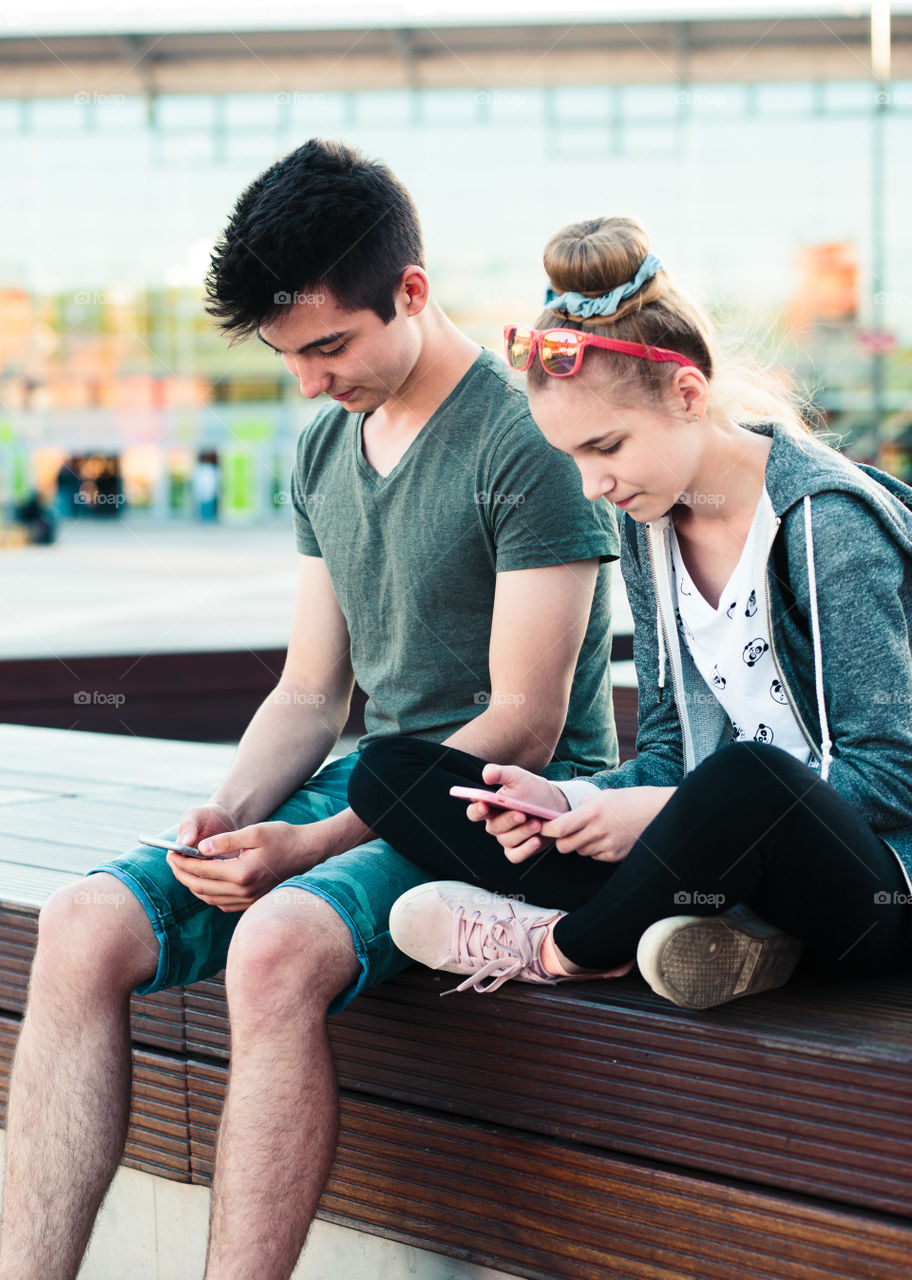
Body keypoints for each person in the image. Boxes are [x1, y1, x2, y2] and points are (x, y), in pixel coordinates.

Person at [0, 146, 619, 1280]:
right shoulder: (326, 442)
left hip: (510, 811)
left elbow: (527, 721)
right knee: (83, 920)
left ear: (413, 293)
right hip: (370, 786)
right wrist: (229, 817)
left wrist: (314, 844)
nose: (309, 381)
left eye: (329, 347)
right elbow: (309, 690)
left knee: (278, 943)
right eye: (288, 357)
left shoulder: (527, 439)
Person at [348, 213, 912, 1012]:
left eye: (605, 448)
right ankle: (696, 929)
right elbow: (666, 748)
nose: (591, 485)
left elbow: (893, 776)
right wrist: (570, 805)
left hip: (875, 890)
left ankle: (557, 946)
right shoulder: (651, 526)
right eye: (572, 457)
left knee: (746, 782)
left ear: (688, 393)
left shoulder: (826, 524)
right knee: (392, 775)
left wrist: (665, 815)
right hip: (713, 852)